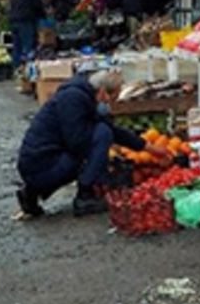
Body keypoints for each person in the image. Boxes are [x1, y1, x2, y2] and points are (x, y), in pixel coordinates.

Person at [15, 67, 138, 217]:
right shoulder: (73, 100)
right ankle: (84, 197)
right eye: (111, 98)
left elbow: (114, 131)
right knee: (102, 134)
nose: (109, 103)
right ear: (102, 92)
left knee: (102, 133)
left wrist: (145, 146)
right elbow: (78, 143)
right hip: (41, 166)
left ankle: (31, 193)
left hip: (36, 164)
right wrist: (100, 165)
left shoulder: (80, 95)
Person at [7, 0, 47, 68]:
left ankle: (16, 68)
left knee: (16, 46)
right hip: (26, 20)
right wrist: (44, 15)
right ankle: (27, 69)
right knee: (28, 46)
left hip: (13, 19)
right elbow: (37, 5)